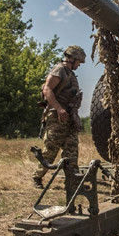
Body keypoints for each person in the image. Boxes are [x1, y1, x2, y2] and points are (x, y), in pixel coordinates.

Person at [32, 45, 86, 189]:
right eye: (79, 62)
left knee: (71, 151)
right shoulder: (59, 70)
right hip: (57, 117)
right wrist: (58, 108)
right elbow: (47, 89)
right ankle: (37, 177)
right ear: (72, 58)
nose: (79, 65)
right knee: (51, 149)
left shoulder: (71, 73)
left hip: (69, 118)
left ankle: (72, 181)